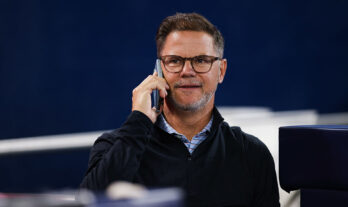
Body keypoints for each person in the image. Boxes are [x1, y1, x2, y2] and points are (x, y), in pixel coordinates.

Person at [80, 12, 280, 207]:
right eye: (175, 60)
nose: (187, 71)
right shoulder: (116, 146)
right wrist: (138, 121)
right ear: (158, 70)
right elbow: (89, 201)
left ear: (221, 71)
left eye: (201, 60)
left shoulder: (251, 154)